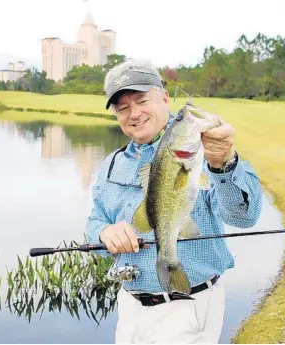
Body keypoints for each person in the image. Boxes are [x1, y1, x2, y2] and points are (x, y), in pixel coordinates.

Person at [86, 59, 263, 344]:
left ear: (165, 98)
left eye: (142, 100)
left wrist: (223, 164)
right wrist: (103, 233)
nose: (134, 113)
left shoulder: (206, 152)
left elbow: (244, 217)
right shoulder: (111, 164)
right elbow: (94, 221)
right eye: (123, 108)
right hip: (130, 306)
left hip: (187, 307)